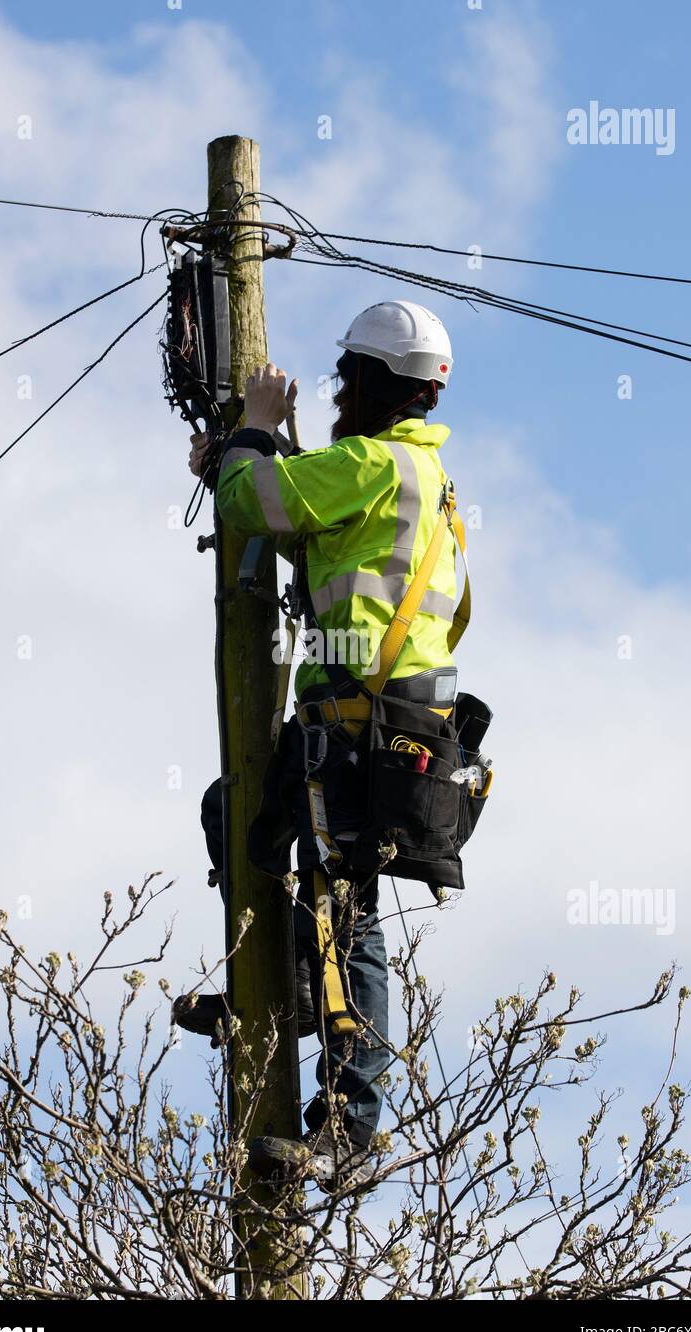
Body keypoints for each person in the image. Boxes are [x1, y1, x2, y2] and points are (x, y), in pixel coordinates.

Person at [179, 300, 464, 1185]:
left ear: (379, 383)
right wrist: (257, 454)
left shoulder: (375, 463)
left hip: (364, 721)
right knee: (240, 816)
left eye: (348, 378)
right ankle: (280, 994)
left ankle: (350, 1124)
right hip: (380, 721)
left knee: (347, 911)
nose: (338, 392)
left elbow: (252, 504)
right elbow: (302, 516)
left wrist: (255, 434)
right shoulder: (415, 477)